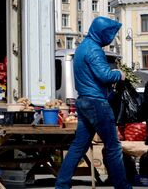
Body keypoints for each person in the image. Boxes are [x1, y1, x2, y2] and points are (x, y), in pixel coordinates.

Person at [56, 17, 131, 189]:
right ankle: (122, 185)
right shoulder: (95, 50)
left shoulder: (82, 48)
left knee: (78, 146)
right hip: (97, 103)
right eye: (110, 34)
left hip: (83, 101)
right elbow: (104, 75)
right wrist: (119, 74)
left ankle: (61, 184)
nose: (110, 38)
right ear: (102, 33)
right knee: (113, 146)